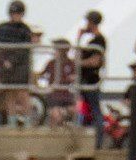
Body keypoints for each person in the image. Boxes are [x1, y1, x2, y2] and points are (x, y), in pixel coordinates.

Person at [0, 0, 37, 125]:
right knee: (9, 93)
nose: (15, 16)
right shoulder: (3, 27)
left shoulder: (25, 29)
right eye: (13, 13)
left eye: (18, 13)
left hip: (20, 67)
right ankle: (12, 122)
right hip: (5, 66)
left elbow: (25, 50)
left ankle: (28, 123)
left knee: (22, 94)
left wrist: (12, 61)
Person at [76, 10, 108, 146]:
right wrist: (79, 38)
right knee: (85, 110)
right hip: (85, 81)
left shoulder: (99, 40)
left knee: (95, 110)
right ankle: (86, 141)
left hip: (91, 80)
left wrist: (79, 63)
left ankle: (98, 142)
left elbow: (95, 61)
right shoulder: (91, 41)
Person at [39, 38, 77, 127]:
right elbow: (42, 75)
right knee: (55, 115)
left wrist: (72, 78)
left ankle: (64, 118)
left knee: (74, 110)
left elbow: (75, 77)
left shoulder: (71, 63)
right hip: (54, 95)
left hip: (66, 95)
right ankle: (54, 132)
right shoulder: (51, 63)